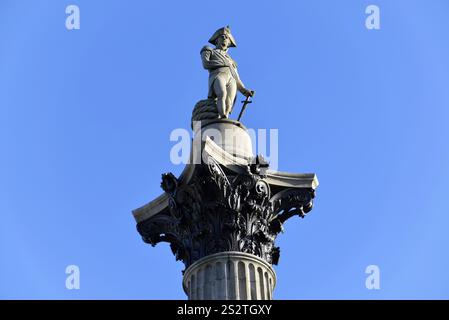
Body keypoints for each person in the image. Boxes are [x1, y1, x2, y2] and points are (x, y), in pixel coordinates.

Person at [201, 26, 254, 118]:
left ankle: (225, 118)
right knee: (222, 93)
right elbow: (206, 64)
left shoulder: (231, 61)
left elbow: (236, 77)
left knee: (229, 102)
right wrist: (224, 63)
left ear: (229, 43)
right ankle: (222, 116)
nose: (225, 39)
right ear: (217, 40)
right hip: (219, 75)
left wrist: (244, 91)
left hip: (231, 79)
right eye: (222, 36)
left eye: (227, 38)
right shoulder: (209, 50)